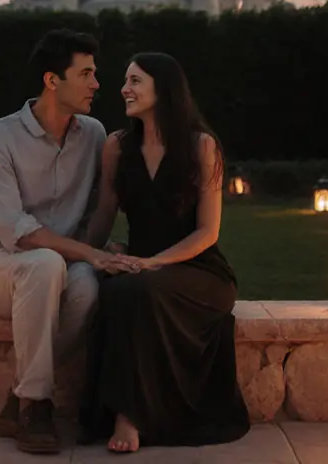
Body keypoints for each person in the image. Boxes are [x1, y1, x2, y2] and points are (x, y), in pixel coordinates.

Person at [0, 29, 131, 455]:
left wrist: (108, 249)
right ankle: (37, 404)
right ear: (52, 80)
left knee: (86, 285)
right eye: (86, 74)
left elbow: (101, 205)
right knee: (45, 263)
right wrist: (88, 253)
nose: (97, 84)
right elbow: (14, 232)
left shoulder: (93, 134)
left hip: (58, 268)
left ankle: (20, 399)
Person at [78, 52, 251, 453]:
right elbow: (104, 215)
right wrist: (88, 253)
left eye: (135, 81)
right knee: (116, 291)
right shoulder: (117, 147)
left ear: (164, 87)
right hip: (141, 267)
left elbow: (208, 232)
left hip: (199, 270)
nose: (124, 89)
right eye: (125, 80)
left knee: (139, 291)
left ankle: (128, 415)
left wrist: (154, 262)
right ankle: (121, 411)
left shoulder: (201, 146)